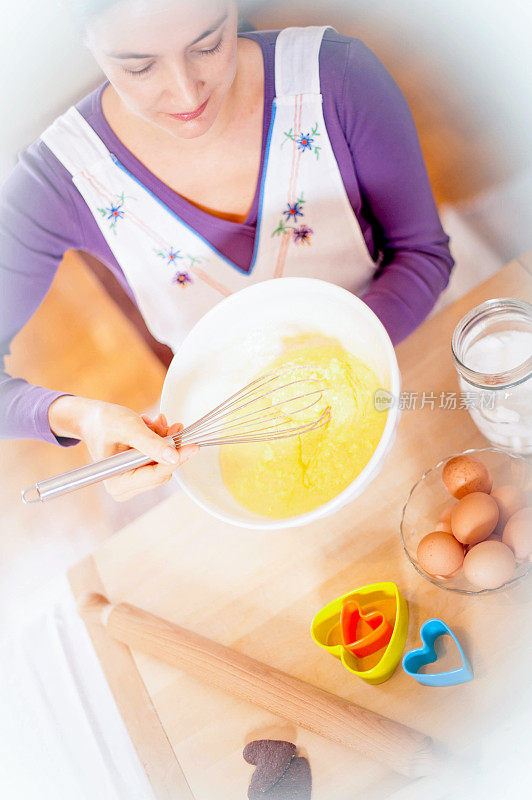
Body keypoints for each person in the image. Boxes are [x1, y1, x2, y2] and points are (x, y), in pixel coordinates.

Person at [0, 0, 454, 501]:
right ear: (85, 38)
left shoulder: (336, 78)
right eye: (140, 65)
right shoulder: (57, 180)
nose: (185, 90)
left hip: (406, 364)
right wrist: (82, 416)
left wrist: (330, 369)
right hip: (244, 446)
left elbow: (423, 255)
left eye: (208, 44)